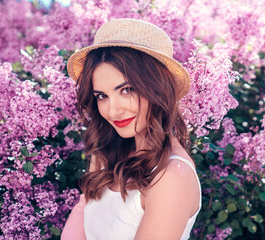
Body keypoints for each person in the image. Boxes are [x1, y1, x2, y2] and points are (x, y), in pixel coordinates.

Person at [61, 18, 201, 240]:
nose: (113, 110)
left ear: (158, 87)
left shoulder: (173, 175)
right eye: (102, 96)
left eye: (127, 90)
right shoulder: (108, 156)